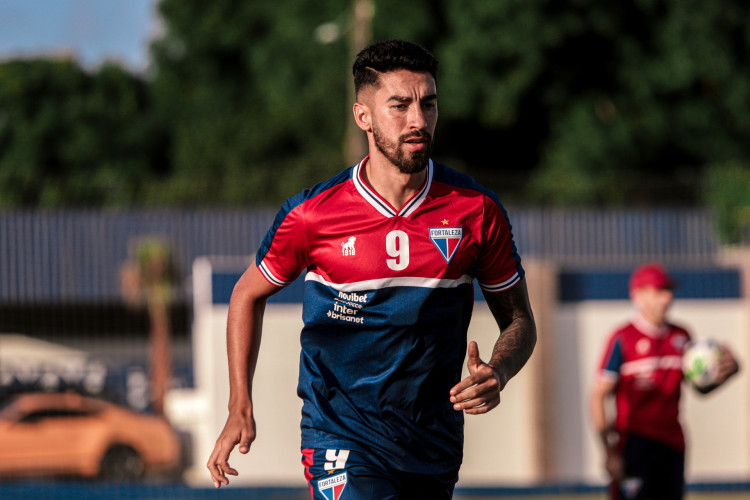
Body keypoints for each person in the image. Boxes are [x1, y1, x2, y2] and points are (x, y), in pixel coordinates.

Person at [206, 39, 537, 499]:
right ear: (363, 115)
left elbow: (520, 321)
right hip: (341, 434)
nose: (418, 121)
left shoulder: (475, 211)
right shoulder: (311, 214)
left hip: (432, 442)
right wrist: (239, 401)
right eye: (399, 105)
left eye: (429, 104)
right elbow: (246, 294)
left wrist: (498, 372)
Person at [589, 262, 740, 500]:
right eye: (659, 291)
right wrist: (609, 452)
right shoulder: (623, 338)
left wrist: (729, 371)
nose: (667, 297)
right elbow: (599, 395)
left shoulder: (681, 336)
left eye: (669, 290)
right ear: (638, 296)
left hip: (672, 444)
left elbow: (699, 389)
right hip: (634, 444)